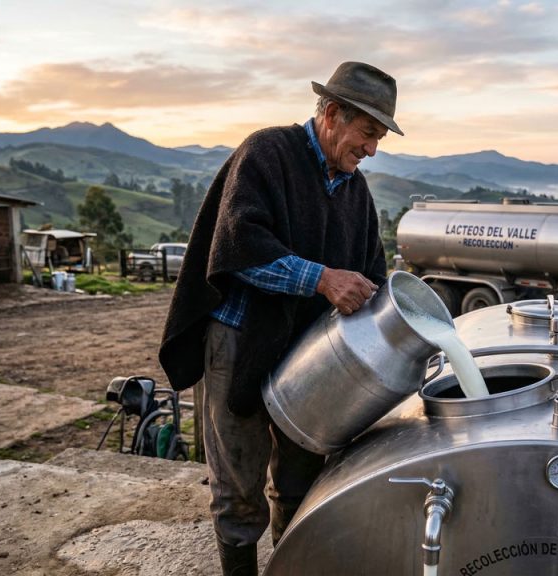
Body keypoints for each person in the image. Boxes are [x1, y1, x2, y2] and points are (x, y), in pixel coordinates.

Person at [159, 61, 401, 576]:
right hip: (240, 340)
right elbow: (236, 247)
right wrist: (322, 279)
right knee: (238, 487)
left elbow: (371, 273)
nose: (371, 149)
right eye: (367, 133)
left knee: (300, 480)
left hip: (310, 354)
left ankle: (291, 565)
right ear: (332, 114)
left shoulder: (355, 192)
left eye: (379, 139)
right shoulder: (267, 153)